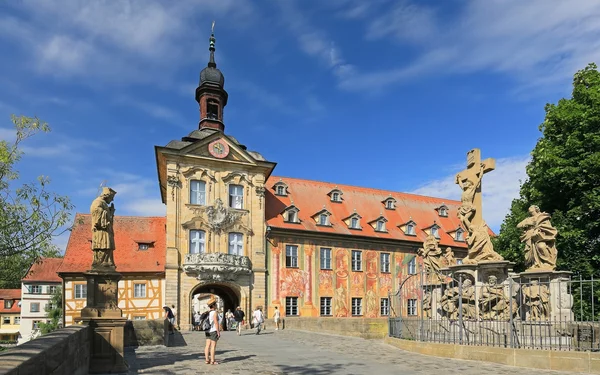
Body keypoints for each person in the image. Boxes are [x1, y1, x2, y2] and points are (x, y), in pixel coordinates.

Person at [204, 296, 221, 365]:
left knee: (207, 345)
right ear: (213, 305)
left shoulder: (207, 312)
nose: (216, 305)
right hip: (213, 330)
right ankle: (212, 361)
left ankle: (207, 359)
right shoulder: (214, 312)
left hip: (207, 330)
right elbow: (216, 322)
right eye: (216, 304)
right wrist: (218, 331)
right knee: (213, 346)